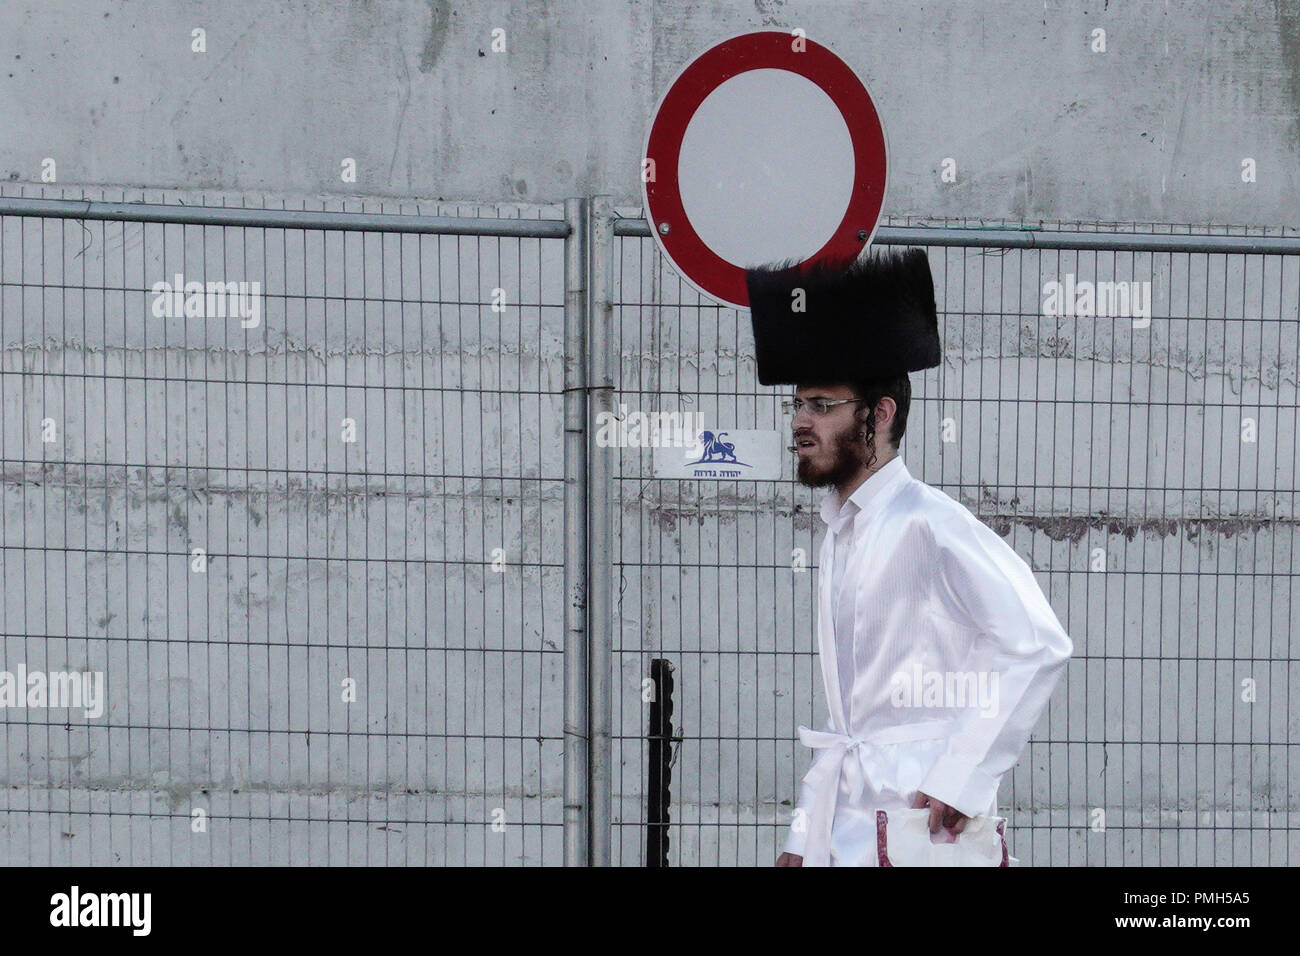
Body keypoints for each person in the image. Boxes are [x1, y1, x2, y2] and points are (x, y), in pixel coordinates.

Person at [745, 248, 1073, 867]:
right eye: (798, 404)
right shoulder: (840, 532)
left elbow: (1037, 642)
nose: (800, 423)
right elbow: (849, 729)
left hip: (923, 831)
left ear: (880, 414)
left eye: (822, 405)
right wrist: (804, 838)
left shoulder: (932, 524)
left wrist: (963, 775)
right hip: (848, 827)